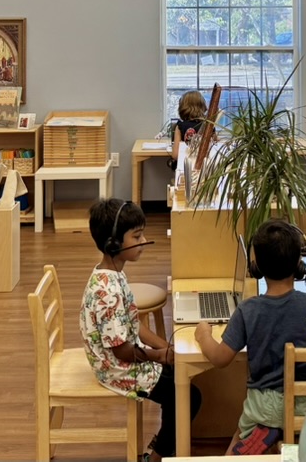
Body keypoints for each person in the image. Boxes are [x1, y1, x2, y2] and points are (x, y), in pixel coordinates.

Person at [194, 221, 306, 455]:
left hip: (263, 412)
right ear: (300, 265)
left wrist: (203, 335)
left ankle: (259, 440)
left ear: (256, 266)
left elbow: (220, 358)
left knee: (234, 448)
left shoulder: (248, 310)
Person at [80, 198, 200, 462]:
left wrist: (165, 348)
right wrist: (160, 356)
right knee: (187, 394)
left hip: (122, 356)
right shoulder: (106, 292)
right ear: (113, 244)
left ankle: (166, 445)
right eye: (137, 235)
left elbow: (133, 324)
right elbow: (122, 350)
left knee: (180, 376)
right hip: (115, 368)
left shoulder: (113, 272)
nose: (144, 240)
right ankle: (156, 456)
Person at [169, 91, 206, 171]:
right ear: (203, 106)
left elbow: (175, 155)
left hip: (185, 169)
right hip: (204, 170)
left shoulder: (180, 126)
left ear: (182, 108)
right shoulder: (208, 126)